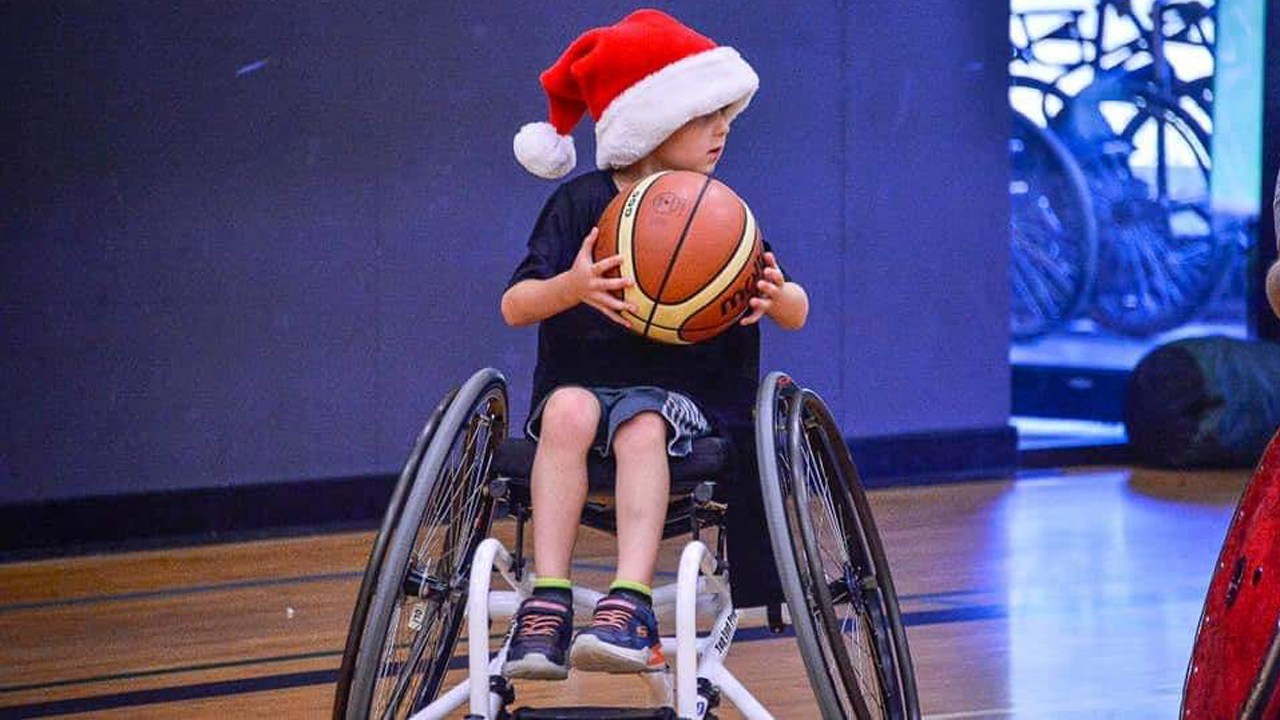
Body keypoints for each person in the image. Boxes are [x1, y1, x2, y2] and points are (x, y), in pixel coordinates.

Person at [499, 9, 809, 679]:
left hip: (684, 401)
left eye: (726, 114)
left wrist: (778, 297)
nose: (723, 128)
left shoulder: (718, 212)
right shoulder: (580, 204)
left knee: (642, 422)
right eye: (704, 116)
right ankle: (547, 601)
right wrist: (574, 285)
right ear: (647, 123)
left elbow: (798, 311)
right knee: (566, 411)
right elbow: (515, 305)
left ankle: (629, 605)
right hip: (582, 388)